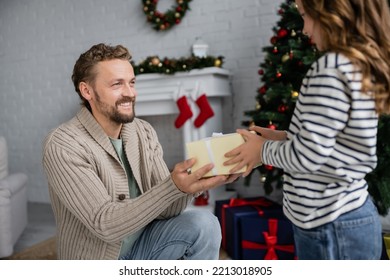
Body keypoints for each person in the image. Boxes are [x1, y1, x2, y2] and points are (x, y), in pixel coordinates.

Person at [225, 0, 390, 260]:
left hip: (329, 223)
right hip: (346, 217)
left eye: (305, 16)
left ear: (332, 13)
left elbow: (308, 156)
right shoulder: (354, 65)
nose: (304, 29)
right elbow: (333, 143)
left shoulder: (330, 69)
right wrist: (285, 138)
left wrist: (262, 151)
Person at [42, 43, 240, 260]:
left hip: (143, 246)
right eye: (117, 84)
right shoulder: (63, 144)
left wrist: (190, 185)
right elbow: (105, 225)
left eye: (132, 82)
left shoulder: (143, 131)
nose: (130, 93)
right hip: (100, 260)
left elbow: (167, 210)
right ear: (87, 90)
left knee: (205, 223)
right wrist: (171, 186)